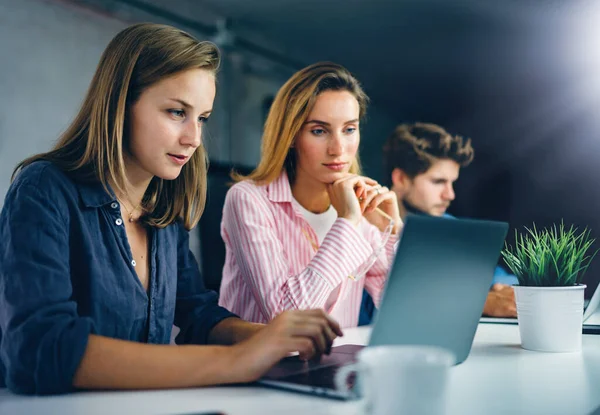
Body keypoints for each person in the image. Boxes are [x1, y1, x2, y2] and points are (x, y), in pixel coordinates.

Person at [0, 23, 342, 396]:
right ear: (121, 103)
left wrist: (275, 338)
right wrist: (237, 361)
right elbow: (41, 349)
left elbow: (197, 313)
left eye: (202, 118)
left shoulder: (163, 208)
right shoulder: (44, 189)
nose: (194, 138)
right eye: (177, 112)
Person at [218, 62, 402, 329]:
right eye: (319, 131)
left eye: (349, 129)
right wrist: (347, 222)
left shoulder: (364, 210)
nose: (338, 149)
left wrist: (393, 231)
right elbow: (285, 317)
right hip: (263, 368)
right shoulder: (248, 200)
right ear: (291, 135)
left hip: (335, 366)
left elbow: (399, 310)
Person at [359, 122, 517, 325]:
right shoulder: (365, 230)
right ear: (401, 179)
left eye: (452, 182)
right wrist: (478, 302)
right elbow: (370, 312)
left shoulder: (450, 227)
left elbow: (498, 277)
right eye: (438, 182)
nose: (449, 195)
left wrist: (502, 290)